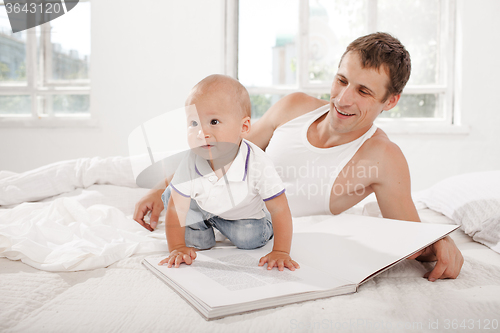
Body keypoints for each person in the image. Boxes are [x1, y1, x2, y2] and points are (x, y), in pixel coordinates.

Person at [135, 32, 463, 281]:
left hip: (259, 232)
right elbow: (219, 149)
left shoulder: (383, 157)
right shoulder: (293, 108)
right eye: (342, 80)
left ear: (390, 101)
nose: (343, 99)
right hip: (223, 203)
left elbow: (409, 233)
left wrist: (439, 242)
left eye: (363, 91)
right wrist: (158, 191)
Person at [158, 74, 300, 271]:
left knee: (249, 239)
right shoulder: (191, 161)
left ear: (243, 127)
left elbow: (280, 209)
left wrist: (281, 251)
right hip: (205, 207)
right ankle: (207, 225)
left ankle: (263, 222)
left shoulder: (257, 163)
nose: (202, 133)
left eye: (214, 122)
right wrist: (177, 247)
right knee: (196, 241)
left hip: (243, 215)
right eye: (194, 123)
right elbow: (176, 209)